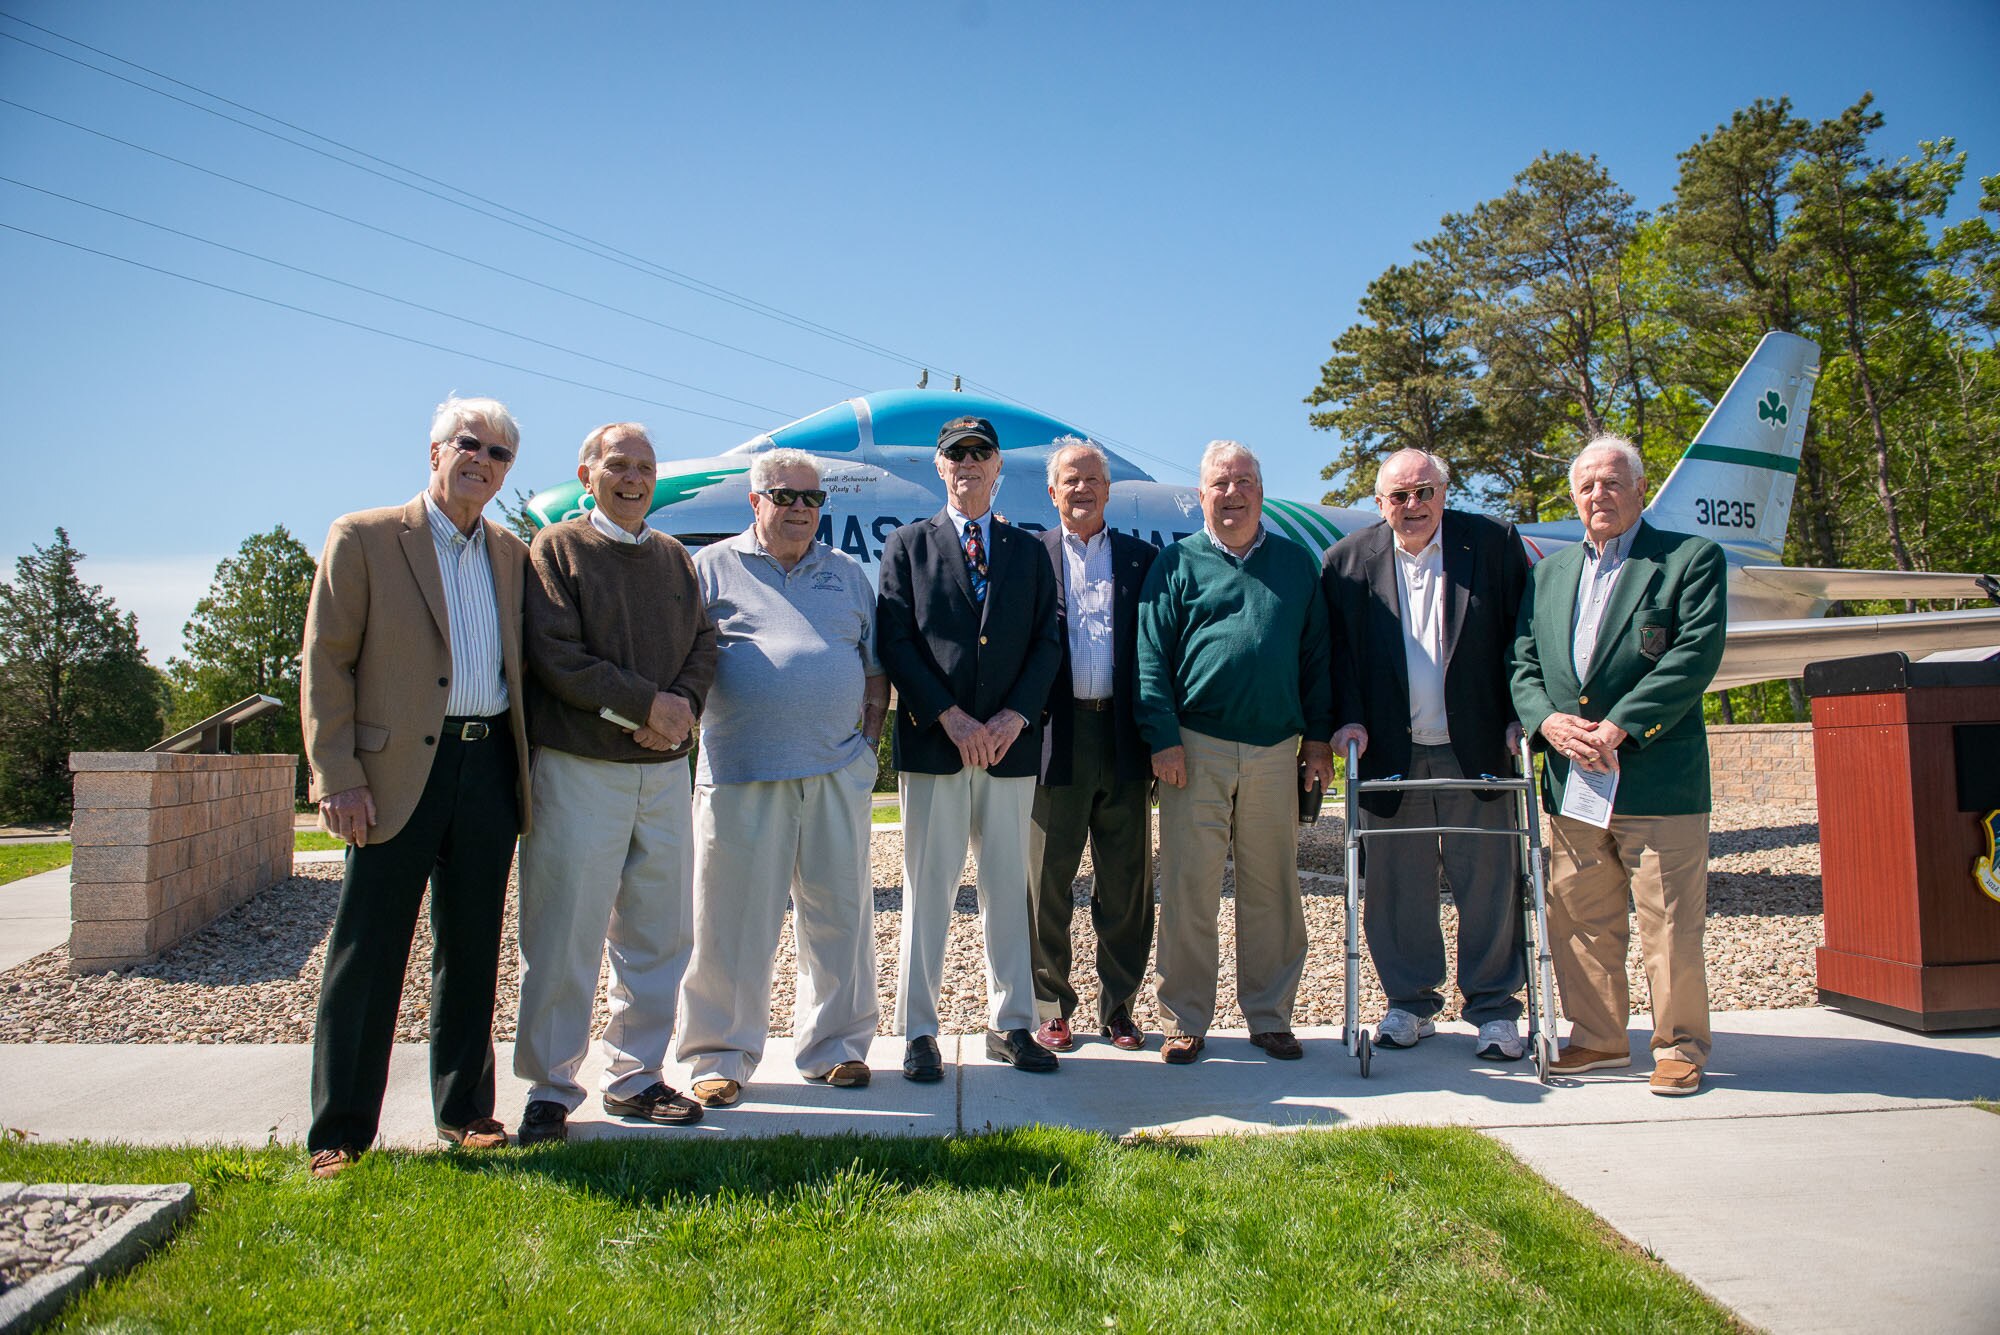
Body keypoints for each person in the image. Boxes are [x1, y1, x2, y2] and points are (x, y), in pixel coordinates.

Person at [301, 394, 531, 1178]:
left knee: (470, 950)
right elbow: (325, 664)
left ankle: (465, 1112)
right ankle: (338, 1131)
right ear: (434, 450)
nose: (483, 461)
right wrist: (337, 774)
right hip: (394, 774)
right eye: (470, 443)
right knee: (368, 951)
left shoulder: (511, 553)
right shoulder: (364, 538)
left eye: (499, 453)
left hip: (488, 765)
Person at [512, 422, 716, 1144]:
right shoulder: (558, 549)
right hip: (580, 770)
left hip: (662, 775)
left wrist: (681, 710)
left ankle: (635, 1075)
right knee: (565, 931)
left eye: (646, 467)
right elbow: (556, 655)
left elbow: (702, 645)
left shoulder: (673, 558)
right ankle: (549, 1085)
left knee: (659, 933)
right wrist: (646, 706)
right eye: (619, 464)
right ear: (587, 472)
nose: (634, 478)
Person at [1510, 435, 1727, 1096]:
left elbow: (1693, 655)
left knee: (1669, 922)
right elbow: (1523, 662)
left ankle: (1680, 1044)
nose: (1597, 495)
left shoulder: (1688, 560)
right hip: (1572, 780)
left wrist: (1621, 724)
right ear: (1573, 496)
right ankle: (1599, 1037)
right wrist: (1546, 720)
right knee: (1579, 919)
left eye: (1611, 482)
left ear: (1638, 489)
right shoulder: (1548, 575)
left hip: (1657, 775)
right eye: (1586, 485)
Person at [673, 448, 889, 1102]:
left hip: (834, 774)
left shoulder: (847, 574)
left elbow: (874, 670)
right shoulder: (710, 570)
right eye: (786, 495)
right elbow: (681, 665)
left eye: (812, 498)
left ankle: (837, 1047)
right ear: (755, 501)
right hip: (740, 778)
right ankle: (719, 1055)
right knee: (729, 924)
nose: (800, 508)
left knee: (840, 918)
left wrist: (868, 749)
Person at [1320, 448, 1530, 1059]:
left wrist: (1521, 717)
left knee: (1489, 881)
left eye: (1424, 493)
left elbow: (1521, 636)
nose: (1413, 506)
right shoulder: (1347, 562)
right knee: (1395, 885)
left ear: (1444, 491)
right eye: (1399, 497)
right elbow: (1338, 658)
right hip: (1390, 750)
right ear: (1379, 502)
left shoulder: (1491, 544)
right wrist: (1345, 721)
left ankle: (1494, 1008)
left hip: (1478, 746)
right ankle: (1409, 1003)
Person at [1136, 440, 1335, 1065]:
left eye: (1243, 481)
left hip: (1278, 748)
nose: (1232, 493)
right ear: (1201, 495)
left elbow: (1317, 659)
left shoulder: (1297, 565)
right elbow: (1150, 658)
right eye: (1220, 483)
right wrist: (1162, 737)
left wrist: (1320, 739)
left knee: (1272, 886)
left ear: (1259, 490)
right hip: (1195, 747)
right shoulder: (1175, 565)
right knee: (1190, 886)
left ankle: (1270, 1016)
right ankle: (1185, 1018)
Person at [877, 415, 1063, 1079]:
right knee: (927, 889)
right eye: (956, 454)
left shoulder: (1027, 550)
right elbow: (895, 640)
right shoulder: (907, 545)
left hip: (1009, 749)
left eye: (980, 453)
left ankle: (1012, 1023)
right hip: (936, 746)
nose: (968, 464)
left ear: (998, 466)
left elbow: (1048, 641)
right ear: (938, 466)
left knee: (1009, 889)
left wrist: (1014, 717)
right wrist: (950, 717)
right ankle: (919, 1032)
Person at [1027, 438, 1159, 1053]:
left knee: (1126, 883)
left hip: (1124, 737)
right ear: (1052, 492)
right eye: (1070, 481)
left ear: (1109, 492)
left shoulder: (1142, 560)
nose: (1082, 490)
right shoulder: (1030, 558)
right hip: (1056, 737)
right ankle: (1052, 1005)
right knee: (1046, 881)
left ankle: (1120, 1008)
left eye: (1092, 481)